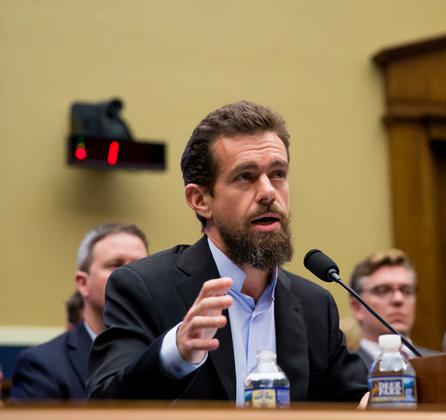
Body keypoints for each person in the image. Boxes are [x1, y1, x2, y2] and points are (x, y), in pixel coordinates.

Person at [87, 101, 367, 404]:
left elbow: (355, 404)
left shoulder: (314, 305)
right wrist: (177, 352)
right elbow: (105, 403)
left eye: (278, 174)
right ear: (200, 200)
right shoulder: (144, 287)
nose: (268, 192)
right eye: (245, 176)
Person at [10, 224, 149, 400]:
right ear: (83, 283)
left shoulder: (169, 352)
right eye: (115, 265)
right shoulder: (42, 363)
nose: (131, 275)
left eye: (140, 265)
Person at [348, 249, 437, 368]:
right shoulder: (340, 370)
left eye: (406, 290)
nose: (398, 299)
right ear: (357, 307)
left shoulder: (441, 364)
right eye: (382, 290)